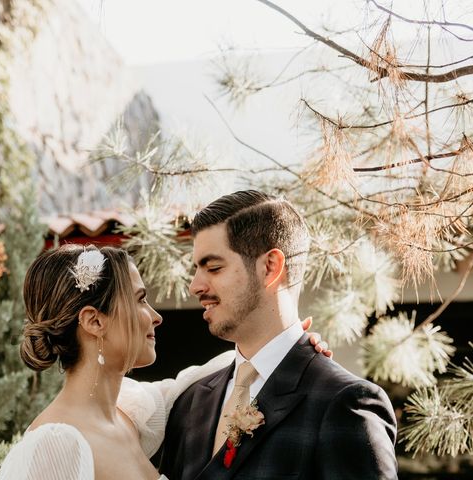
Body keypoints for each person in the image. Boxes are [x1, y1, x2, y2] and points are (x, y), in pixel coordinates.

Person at [0, 244, 330, 479]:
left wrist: (285, 348)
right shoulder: (56, 445)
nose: (155, 317)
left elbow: (195, 379)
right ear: (94, 321)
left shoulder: (131, 412)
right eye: (140, 299)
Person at [158, 190, 398, 480]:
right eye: (196, 269)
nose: (195, 286)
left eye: (213, 268)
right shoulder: (191, 403)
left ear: (270, 267)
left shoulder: (343, 403)